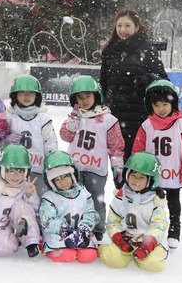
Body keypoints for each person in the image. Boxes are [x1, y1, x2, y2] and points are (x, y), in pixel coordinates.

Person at [132, 80, 182, 249]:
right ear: (150, 105)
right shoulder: (147, 126)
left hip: (173, 173)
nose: (161, 109)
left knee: (173, 203)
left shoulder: (181, 125)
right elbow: (138, 150)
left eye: (165, 104)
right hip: (152, 175)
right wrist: (136, 170)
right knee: (150, 203)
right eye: (157, 104)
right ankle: (151, 230)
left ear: (173, 104)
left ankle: (174, 231)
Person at [59, 75, 125, 241]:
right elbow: (65, 136)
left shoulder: (108, 119)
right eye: (80, 97)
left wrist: (117, 167)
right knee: (73, 198)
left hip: (97, 170)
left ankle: (97, 229)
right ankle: (73, 224)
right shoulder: (75, 116)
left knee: (96, 200)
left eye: (88, 96)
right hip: (75, 169)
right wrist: (73, 121)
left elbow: (116, 145)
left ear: (97, 96)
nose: (84, 100)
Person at [100, 9, 168, 162]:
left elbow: (163, 80)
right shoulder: (109, 51)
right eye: (119, 25)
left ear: (137, 27)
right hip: (114, 117)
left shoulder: (147, 49)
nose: (122, 30)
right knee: (117, 163)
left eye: (127, 25)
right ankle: (120, 187)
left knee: (136, 163)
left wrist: (147, 79)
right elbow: (103, 84)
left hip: (139, 117)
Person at [99, 152, 169, 272]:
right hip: (126, 239)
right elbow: (112, 223)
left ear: (151, 181)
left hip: (149, 241)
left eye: (142, 177)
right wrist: (118, 237)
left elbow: (159, 226)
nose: (136, 180)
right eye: (133, 175)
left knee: (154, 265)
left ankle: (142, 256)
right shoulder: (121, 197)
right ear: (127, 175)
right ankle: (103, 249)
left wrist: (150, 241)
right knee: (113, 260)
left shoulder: (155, 202)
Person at [0, 144, 41, 257]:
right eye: (11, 171)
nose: (16, 176)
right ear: (1, 170)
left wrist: (29, 195)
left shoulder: (27, 188)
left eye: (20, 171)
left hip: (22, 227)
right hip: (0, 228)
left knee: (21, 205)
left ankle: (31, 243)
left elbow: (34, 210)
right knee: (5, 249)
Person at [39, 151, 100, 263]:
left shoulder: (84, 193)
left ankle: (80, 241)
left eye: (65, 176)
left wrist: (84, 228)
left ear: (73, 175)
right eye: (57, 179)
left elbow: (91, 213)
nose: (62, 182)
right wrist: (64, 230)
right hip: (59, 233)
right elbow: (47, 219)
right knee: (67, 256)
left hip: (81, 233)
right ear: (51, 182)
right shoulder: (49, 197)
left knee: (88, 256)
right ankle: (45, 245)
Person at [5, 74, 58, 197]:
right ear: (15, 95)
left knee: (38, 200)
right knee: (13, 202)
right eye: (22, 93)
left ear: (37, 96)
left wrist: (51, 166)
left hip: (36, 169)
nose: (27, 97)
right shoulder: (10, 117)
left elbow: (50, 143)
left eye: (31, 93)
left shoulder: (43, 118)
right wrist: (5, 141)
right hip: (14, 169)